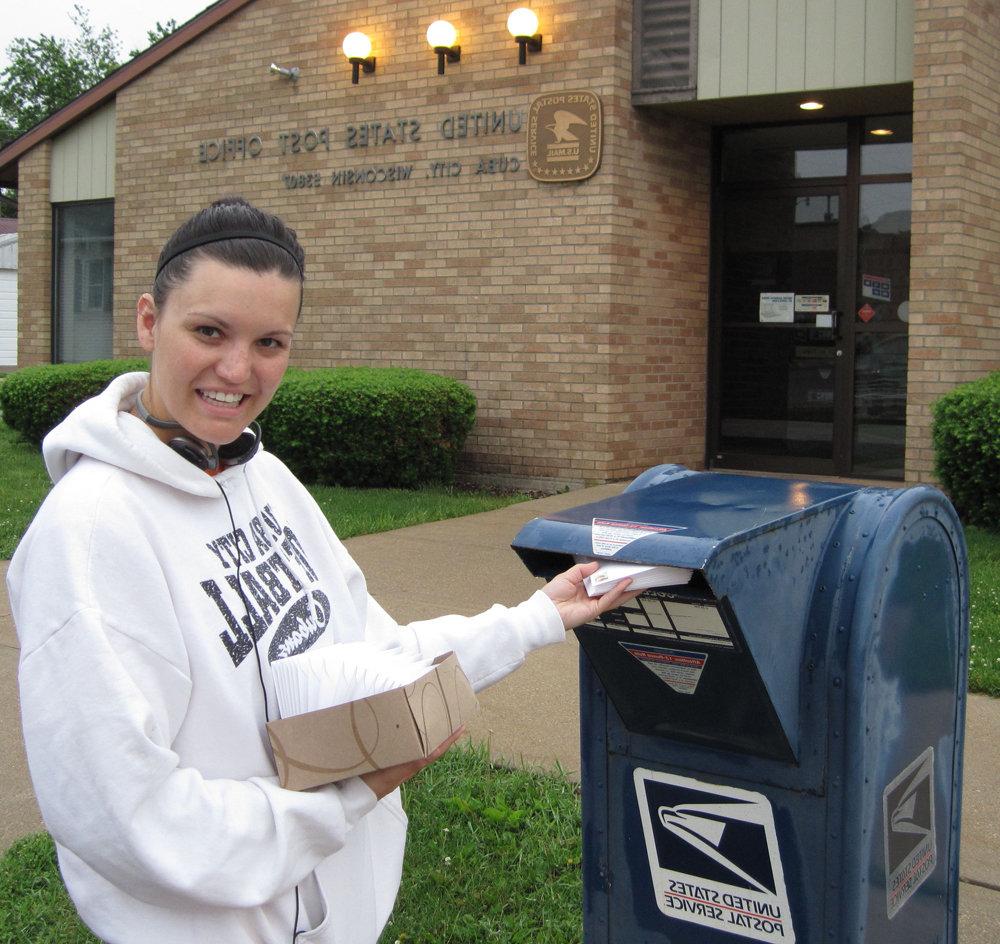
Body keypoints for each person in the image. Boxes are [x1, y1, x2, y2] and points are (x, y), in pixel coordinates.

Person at [7, 197, 634, 944]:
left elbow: (368, 654)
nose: (237, 370)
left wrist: (537, 617)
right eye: (209, 331)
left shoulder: (264, 479)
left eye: (269, 341)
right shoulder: (90, 532)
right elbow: (132, 821)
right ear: (149, 320)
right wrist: (344, 801)